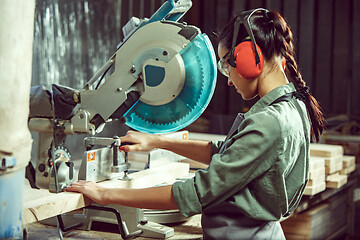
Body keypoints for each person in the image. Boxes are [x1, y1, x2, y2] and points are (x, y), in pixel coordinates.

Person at [66, 8, 325, 239]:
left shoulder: (269, 122)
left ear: (248, 58)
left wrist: (105, 195)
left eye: (226, 66)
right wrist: (156, 140)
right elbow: (228, 154)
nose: (229, 80)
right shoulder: (292, 106)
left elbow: (197, 193)